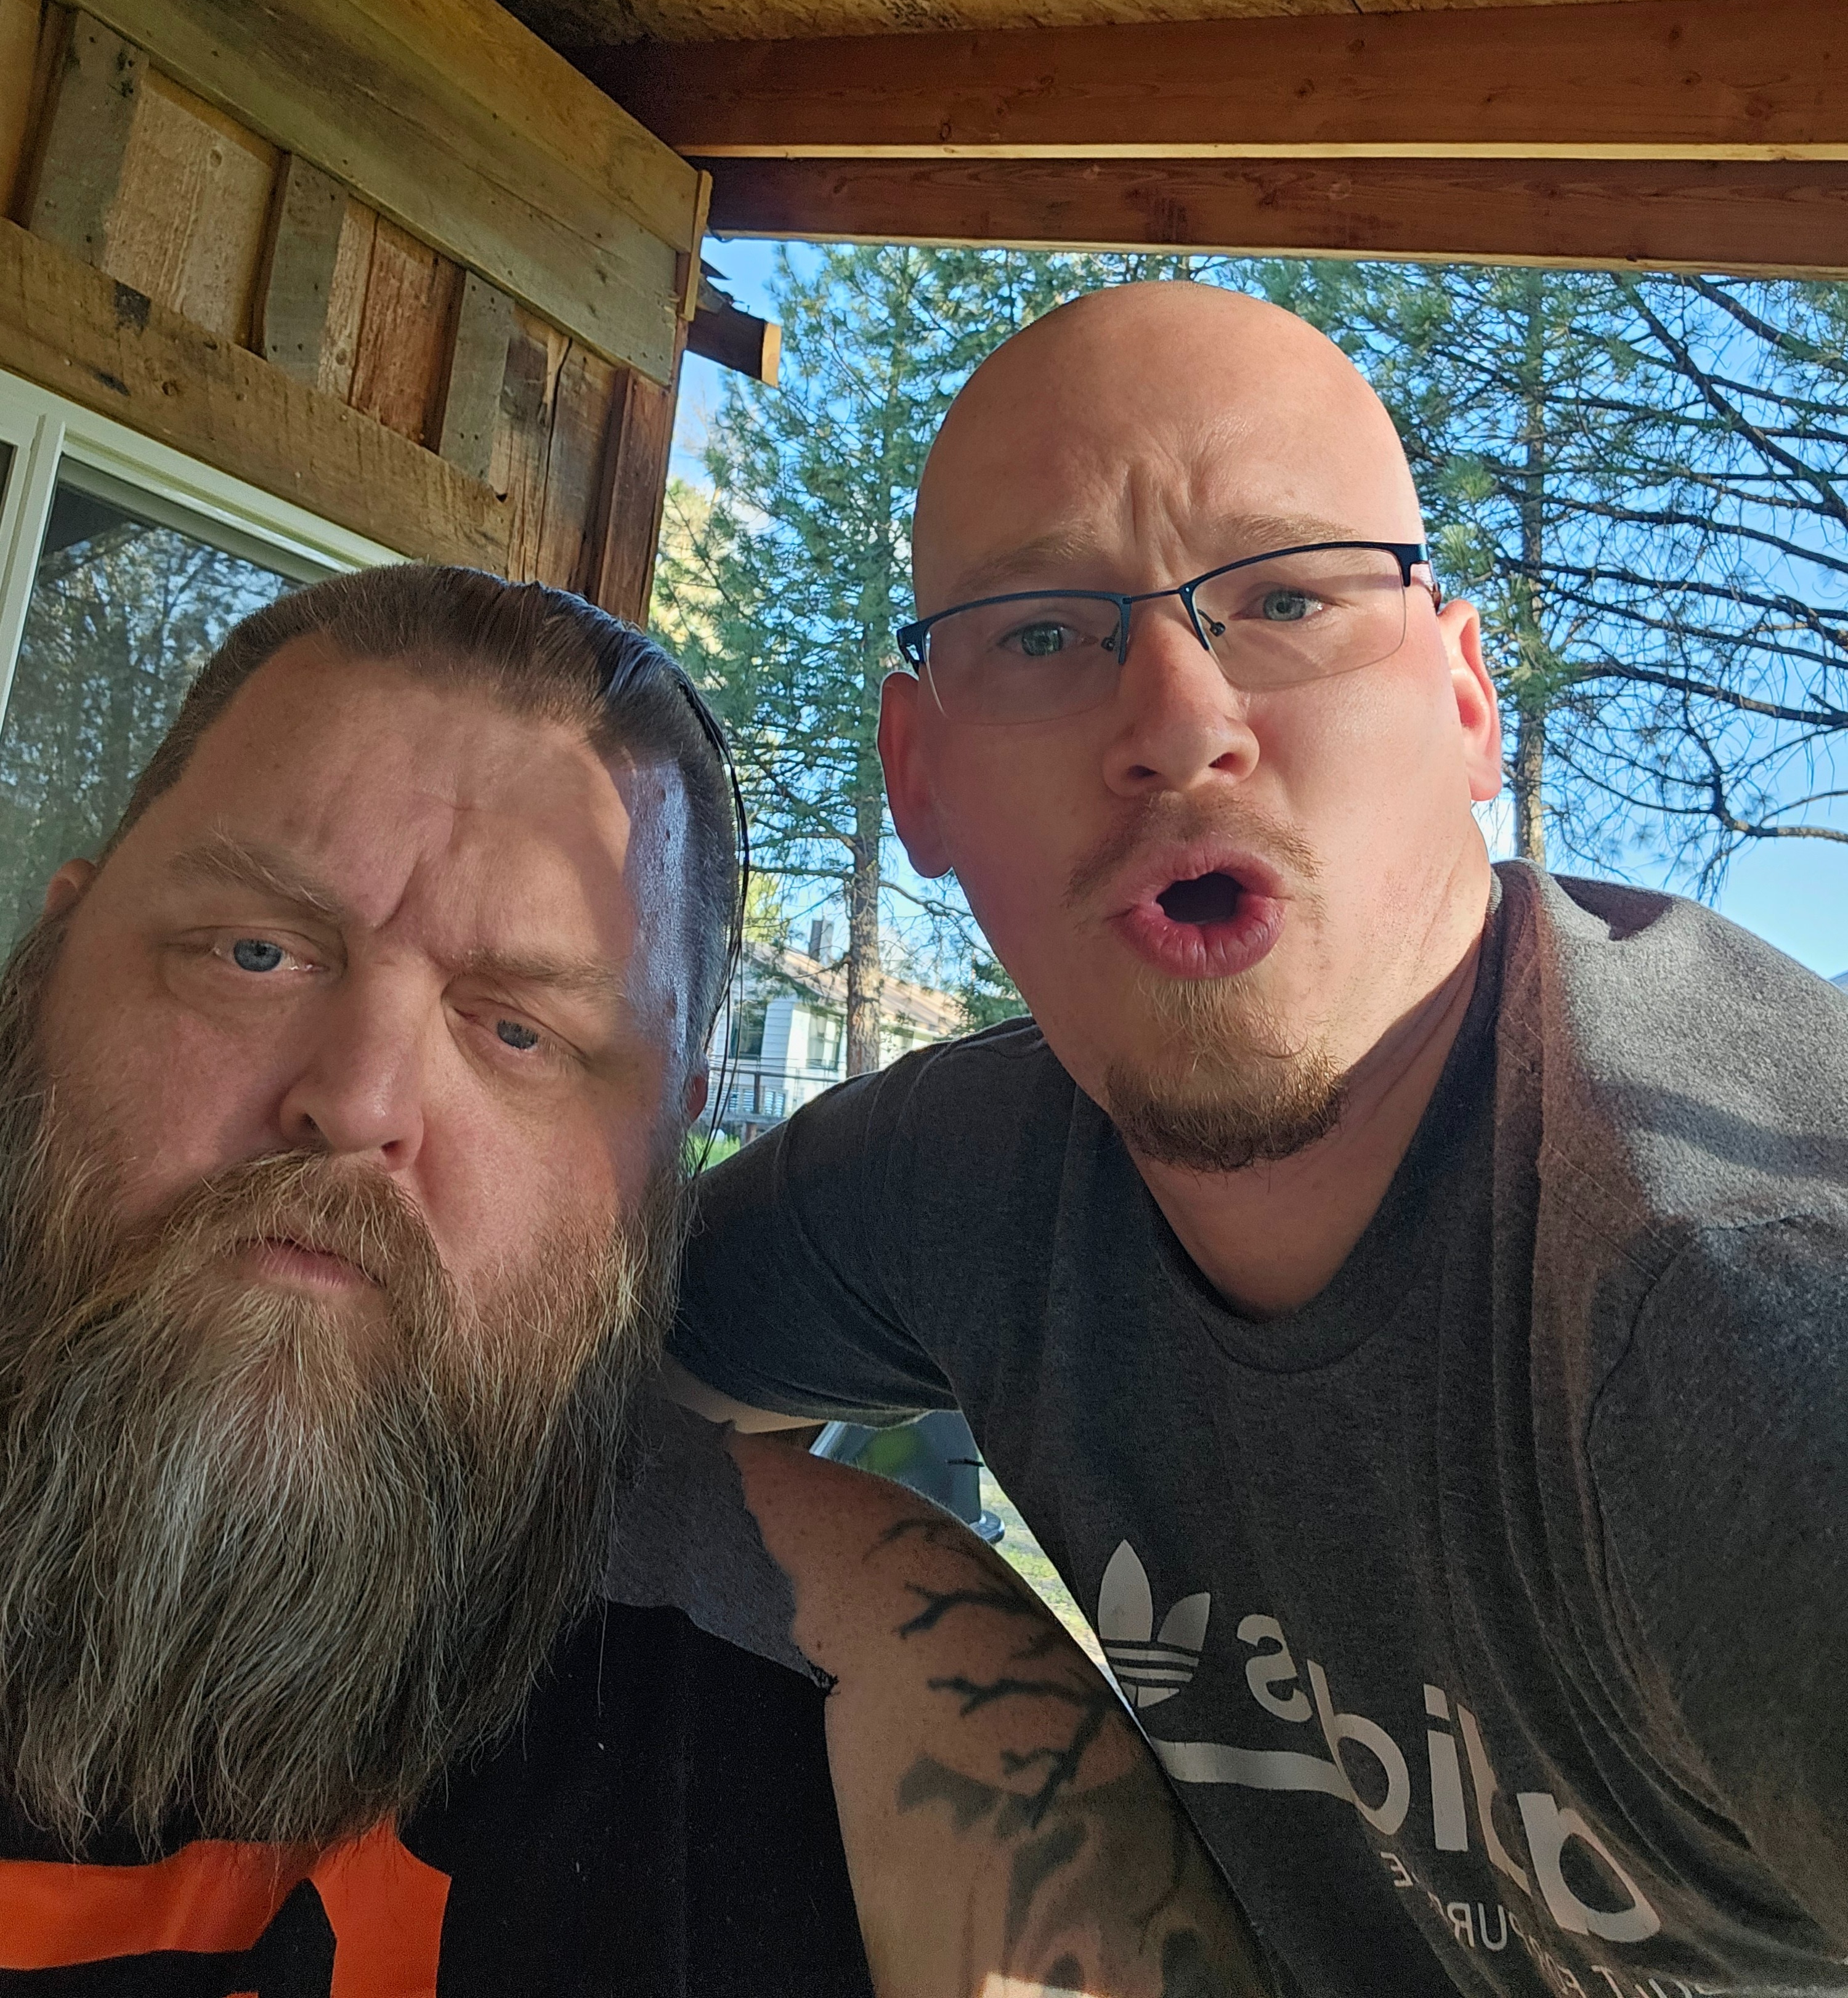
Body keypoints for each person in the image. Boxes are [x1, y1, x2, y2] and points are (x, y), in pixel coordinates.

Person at [665, 281, 1848, 1998]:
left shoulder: (1738, 1323)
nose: (1178, 722)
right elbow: (537, 1404)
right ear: (917, 778)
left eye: (1289, 596)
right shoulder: (968, 1185)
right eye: (1044, 634)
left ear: (1466, 705)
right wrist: (884, 1601)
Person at [0, 562, 1266, 1997]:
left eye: (519, 1031)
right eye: (254, 952)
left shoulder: (867, 1694)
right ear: (48, 964)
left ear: (664, 1154)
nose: (357, 1098)